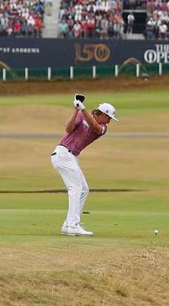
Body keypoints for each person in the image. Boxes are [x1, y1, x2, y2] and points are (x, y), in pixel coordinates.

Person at [51, 96, 118, 236]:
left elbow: (95, 126)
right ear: (103, 114)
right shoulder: (81, 115)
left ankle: (68, 224)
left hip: (71, 157)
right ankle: (73, 225)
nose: (109, 122)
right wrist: (76, 109)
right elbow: (68, 128)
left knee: (83, 189)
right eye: (109, 118)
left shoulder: (103, 128)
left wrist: (83, 108)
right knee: (76, 188)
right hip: (63, 154)